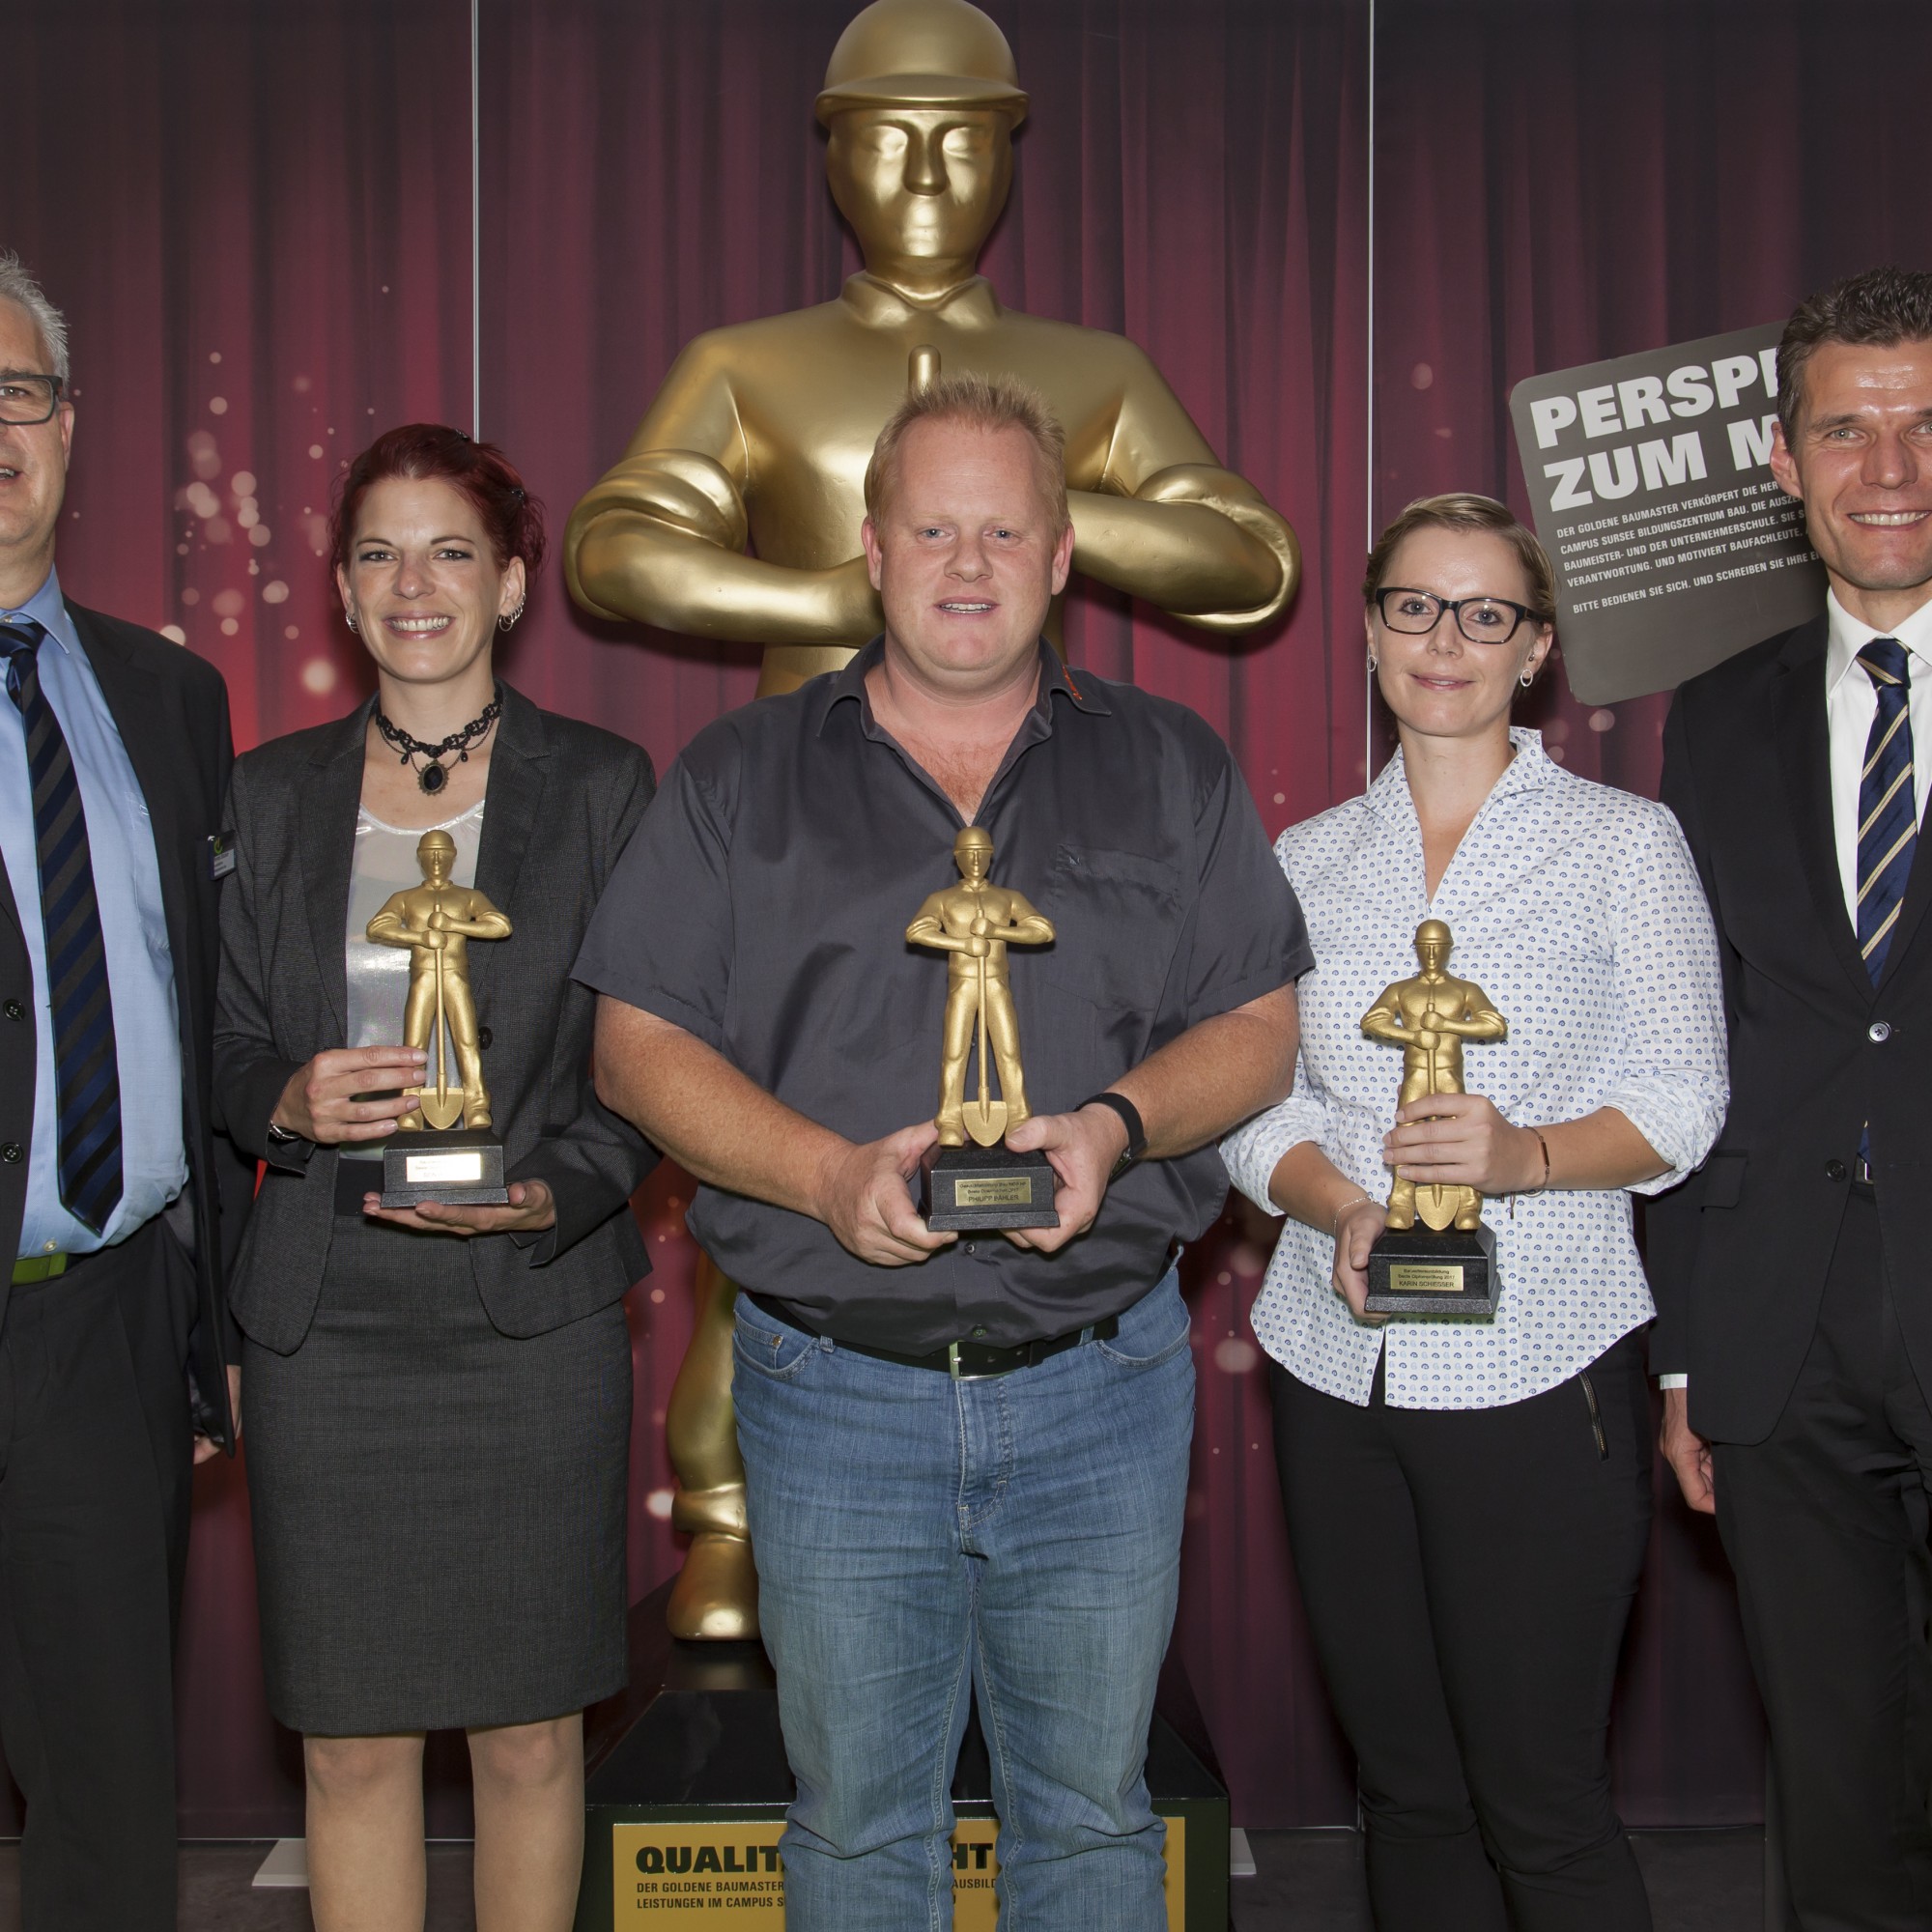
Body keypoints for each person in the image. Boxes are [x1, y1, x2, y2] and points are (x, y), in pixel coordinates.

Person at [564, 0, 1299, 1643]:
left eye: (962, 135)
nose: (922, 170)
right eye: (886, 133)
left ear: (1014, 151)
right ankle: (729, 1531)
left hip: (1042, 803)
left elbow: (1254, 564)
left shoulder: (1090, 378)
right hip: (798, 798)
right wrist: (821, 584)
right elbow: (613, 542)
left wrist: (1051, 507)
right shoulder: (748, 364)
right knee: (781, 1155)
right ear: (827, 149)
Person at [579, 373, 1307, 1932]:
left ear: (1062, 558)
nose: (965, 564)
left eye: (1003, 529)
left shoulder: (1172, 764)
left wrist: (1116, 1127)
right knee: (853, 1833)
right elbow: (636, 1045)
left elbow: (1258, 1025)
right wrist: (826, 1177)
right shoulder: (737, 773)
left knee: (1095, 1829)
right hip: (831, 1390)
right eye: (930, 527)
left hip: (1103, 1389)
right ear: (869, 548)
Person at [1222, 494, 1727, 1932]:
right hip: (1338, 1359)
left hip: (1544, 1361)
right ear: (1374, 632)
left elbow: (1686, 1100)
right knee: (1408, 1792)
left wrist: (1526, 1157)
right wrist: (1334, 1205)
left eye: (1485, 612)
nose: (1448, 640)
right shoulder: (1305, 858)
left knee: (1539, 1799)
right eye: (1414, 608)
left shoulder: (1626, 844)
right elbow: (1255, 1111)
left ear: (1538, 650)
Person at [213, 424, 655, 1932]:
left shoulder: (602, 788)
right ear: (340, 589)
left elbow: (652, 1060)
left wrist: (558, 1193)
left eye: (452, 550)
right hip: (327, 1329)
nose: (417, 584)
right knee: (349, 1744)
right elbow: (215, 1051)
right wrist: (286, 1095)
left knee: (532, 1735)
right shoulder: (266, 798)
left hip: (527, 1316)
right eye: (383, 553)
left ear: (516, 583)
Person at [1649, 266, 1932, 1928]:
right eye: (1847, 427)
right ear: (1781, 458)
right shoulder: (1716, 717)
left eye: (1923, 427)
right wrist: (1687, 1351)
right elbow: (1715, 1038)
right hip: (1782, 1339)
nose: (1888, 467)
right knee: (1835, 1805)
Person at [0, 252, 249, 1932]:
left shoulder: (167, 695)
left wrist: (205, 1320)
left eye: (18, 394)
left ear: (72, 426)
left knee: (106, 1803)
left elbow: (209, 1005)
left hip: (100, 1319)